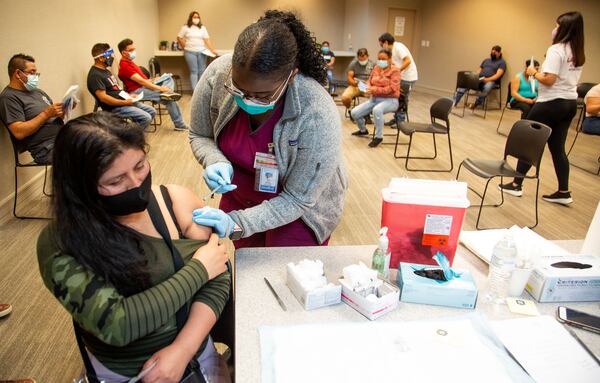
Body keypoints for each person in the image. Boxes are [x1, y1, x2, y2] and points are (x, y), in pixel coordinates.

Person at [37, 112, 231, 382]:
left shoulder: (173, 201)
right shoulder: (61, 242)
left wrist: (182, 350)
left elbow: (218, 275)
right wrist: (198, 269)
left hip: (196, 356)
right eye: (116, 181)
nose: (136, 183)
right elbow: (118, 324)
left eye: (140, 165)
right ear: (79, 187)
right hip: (126, 373)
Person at [189, 10, 348, 249]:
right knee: (249, 271)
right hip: (242, 196)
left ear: (291, 76)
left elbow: (297, 198)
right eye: (238, 88)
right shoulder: (217, 74)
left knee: (287, 277)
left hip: (298, 211)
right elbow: (199, 134)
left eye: (261, 95)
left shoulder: (316, 113)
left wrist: (237, 223)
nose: (246, 99)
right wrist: (213, 159)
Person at [500, 11, 585, 205]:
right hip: (569, 103)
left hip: (550, 103)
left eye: (556, 25)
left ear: (564, 28)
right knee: (557, 149)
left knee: (529, 143)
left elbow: (549, 80)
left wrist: (533, 73)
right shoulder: (577, 50)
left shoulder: (557, 50)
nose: (554, 29)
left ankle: (516, 185)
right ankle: (564, 191)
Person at [0, 54, 69, 164]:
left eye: (36, 73)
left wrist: (63, 110)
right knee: (88, 154)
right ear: (18, 73)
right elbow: (18, 132)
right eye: (32, 72)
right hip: (46, 149)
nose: (35, 76)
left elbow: (51, 116)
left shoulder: (38, 92)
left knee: (98, 140)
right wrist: (46, 114)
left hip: (63, 139)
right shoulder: (8, 97)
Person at [117, 38, 189, 131]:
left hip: (144, 85)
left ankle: (167, 93)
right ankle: (180, 124)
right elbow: (142, 82)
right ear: (123, 53)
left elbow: (143, 80)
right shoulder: (125, 66)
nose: (133, 52)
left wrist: (153, 80)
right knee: (170, 100)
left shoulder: (130, 62)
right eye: (130, 50)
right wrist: (160, 88)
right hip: (137, 91)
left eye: (134, 49)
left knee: (168, 77)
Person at [87, 43, 156, 129]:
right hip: (115, 107)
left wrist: (129, 95)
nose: (112, 57)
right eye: (109, 55)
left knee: (152, 111)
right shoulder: (95, 75)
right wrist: (124, 102)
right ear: (101, 58)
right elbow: (103, 98)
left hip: (124, 101)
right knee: (146, 118)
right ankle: (128, 138)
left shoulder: (105, 71)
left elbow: (115, 90)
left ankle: (132, 134)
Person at [350, 49, 400, 148]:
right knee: (354, 113)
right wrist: (368, 87)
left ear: (390, 59)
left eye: (383, 59)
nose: (381, 61)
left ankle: (378, 137)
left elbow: (392, 88)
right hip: (375, 99)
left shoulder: (395, 71)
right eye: (379, 59)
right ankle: (363, 130)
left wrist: (375, 89)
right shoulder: (376, 68)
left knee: (377, 110)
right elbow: (369, 81)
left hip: (390, 100)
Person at [378, 32, 418, 123]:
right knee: (396, 96)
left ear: (386, 42)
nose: (381, 47)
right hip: (400, 76)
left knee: (402, 98)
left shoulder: (398, 47)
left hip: (408, 77)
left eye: (381, 45)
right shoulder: (390, 51)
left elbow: (408, 61)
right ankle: (396, 118)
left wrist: (397, 71)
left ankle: (400, 121)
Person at [177, 11, 219, 91]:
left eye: (198, 17)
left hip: (201, 52)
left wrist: (212, 50)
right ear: (191, 18)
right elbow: (179, 37)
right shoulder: (186, 27)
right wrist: (184, 46)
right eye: (194, 17)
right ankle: (195, 91)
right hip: (190, 52)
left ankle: (201, 91)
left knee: (202, 71)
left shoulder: (202, 28)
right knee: (194, 71)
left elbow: (207, 39)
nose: (196, 19)